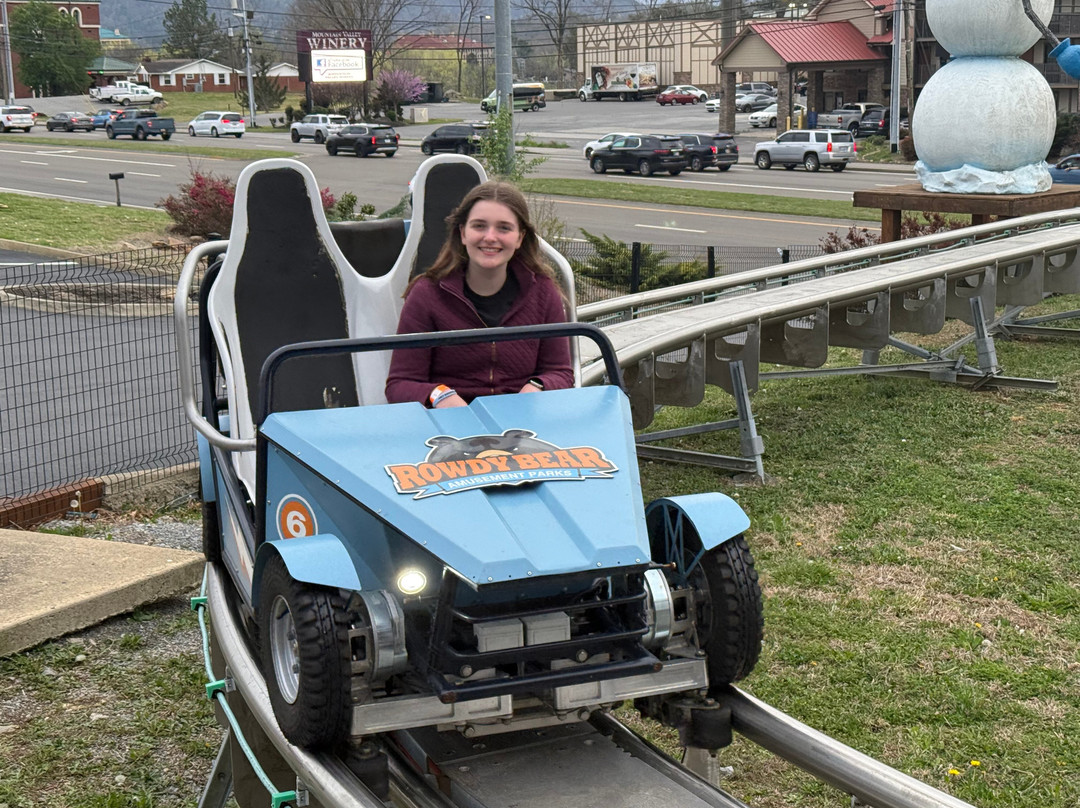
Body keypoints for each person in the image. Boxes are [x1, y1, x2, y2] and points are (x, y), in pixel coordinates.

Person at [385, 181, 574, 409]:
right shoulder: (427, 295)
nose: (490, 237)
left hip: (521, 420)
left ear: (520, 238)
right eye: (479, 226)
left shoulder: (543, 292)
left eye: (504, 228)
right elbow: (400, 384)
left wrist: (537, 386)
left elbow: (560, 373)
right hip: (449, 422)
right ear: (463, 233)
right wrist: (438, 395)